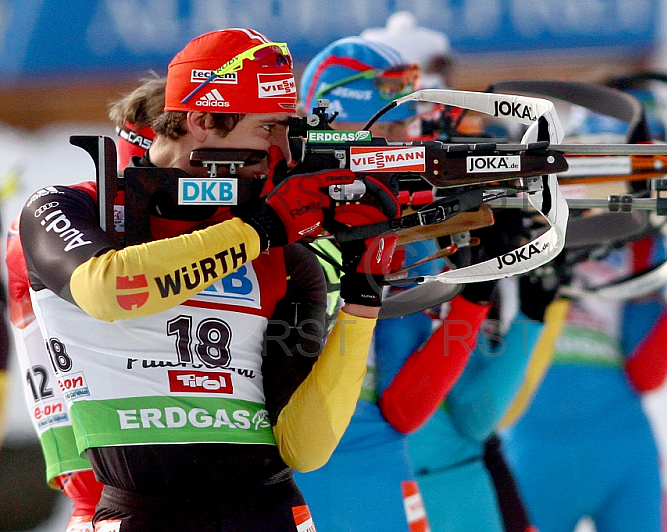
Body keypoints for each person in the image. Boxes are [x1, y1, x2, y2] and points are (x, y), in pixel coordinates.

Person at [16, 28, 398, 531]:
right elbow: (109, 289)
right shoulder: (68, 207)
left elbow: (305, 448)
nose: (283, 148)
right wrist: (263, 229)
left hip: (270, 512)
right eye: (269, 128)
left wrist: (363, 299)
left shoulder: (286, 257)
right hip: (141, 512)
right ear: (200, 120)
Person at [293, 36, 492, 532]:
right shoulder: (269, 196)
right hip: (287, 462)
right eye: (398, 123)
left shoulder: (401, 210)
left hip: (372, 463)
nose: (410, 138)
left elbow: (405, 407)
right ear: (342, 119)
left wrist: (475, 292)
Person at [501, 96, 667, 532]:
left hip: (621, 449)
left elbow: (648, 372)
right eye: (596, 158)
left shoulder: (641, 244)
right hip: (532, 445)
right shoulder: (520, 215)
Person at [404, 214, 565, 532]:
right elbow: (479, 418)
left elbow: (478, 417)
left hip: (424, 467)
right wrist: (534, 316)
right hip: (456, 467)